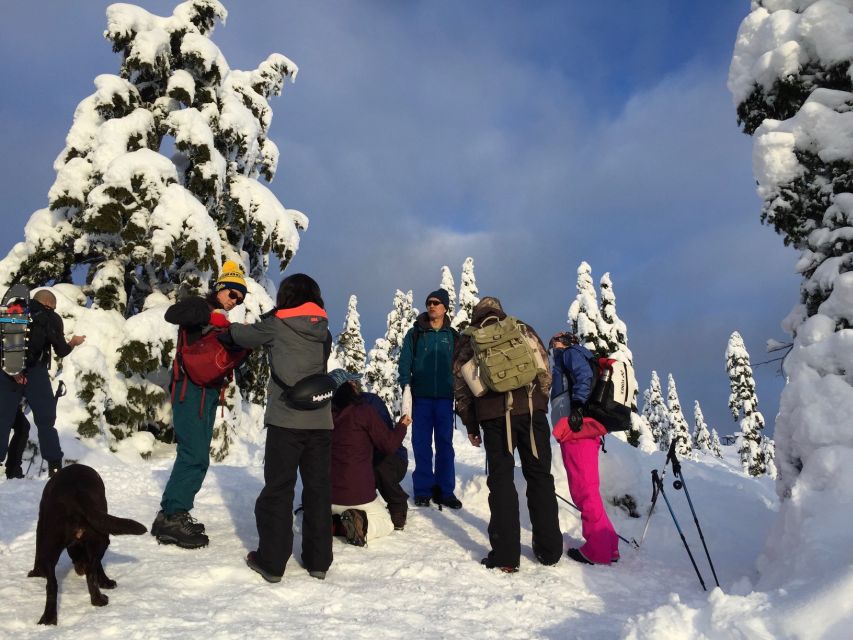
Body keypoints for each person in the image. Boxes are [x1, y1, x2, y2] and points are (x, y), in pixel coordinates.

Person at [226, 273, 334, 583]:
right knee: (318, 490)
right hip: (321, 421)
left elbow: (243, 336)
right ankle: (318, 561)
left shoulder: (276, 324)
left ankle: (272, 563)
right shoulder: (323, 329)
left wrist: (225, 326)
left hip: (285, 421)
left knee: (279, 489)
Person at [453, 297, 562, 573]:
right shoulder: (520, 327)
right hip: (530, 412)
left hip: (494, 418)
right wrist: (539, 403)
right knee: (540, 476)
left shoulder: (468, 339)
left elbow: (460, 386)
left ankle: (505, 556)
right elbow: (543, 365)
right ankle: (549, 551)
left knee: (501, 481)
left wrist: (470, 424)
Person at [150, 260, 248, 549]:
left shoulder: (220, 318)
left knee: (197, 454)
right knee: (194, 455)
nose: (234, 302)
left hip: (206, 393)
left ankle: (170, 512)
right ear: (220, 289)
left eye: (240, 299)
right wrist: (208, 316)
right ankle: (172, 517)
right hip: (189, 390)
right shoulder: (199, 306)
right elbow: (172, 314)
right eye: (232, 294)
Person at [549, 331, 619, 566]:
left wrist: (578, 407)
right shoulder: (575, 355)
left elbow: (582, 377)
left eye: (555, 342)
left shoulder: (570, 354)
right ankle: (609, 545)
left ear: (567, 342)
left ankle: (597, 551)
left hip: (576, 430)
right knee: (589, 491)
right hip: (581, 430)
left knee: (584, 492)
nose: (553, 347)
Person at [0, 289, 85, 478]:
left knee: (3, 420)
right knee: (46, 421)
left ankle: (13, 470)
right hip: (34, 371)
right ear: (50, 304)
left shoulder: (14, 310)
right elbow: (61, 350)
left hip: (7, 371)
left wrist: (13, 370)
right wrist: (73, 343)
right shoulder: (51, 318)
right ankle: (55, 467)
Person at [327, 369, 410, 545]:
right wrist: (402, 426)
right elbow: (388, 444)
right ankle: (357, 526)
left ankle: (332, 524)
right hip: (358, 494)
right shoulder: (364, 410)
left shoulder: (323, 416)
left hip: (329, 496)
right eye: (353, 382)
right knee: (385, 523)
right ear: (349, 386)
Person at [397, 288, 461, 509]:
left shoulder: (453, 337)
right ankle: (423, 490)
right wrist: (406, 386)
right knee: (421, 444)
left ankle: (446, 491)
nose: (431, 306)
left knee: (445, 445)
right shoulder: (415, 334)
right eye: (428, 303)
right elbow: (405, 361)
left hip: (444, 399)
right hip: (421, 398)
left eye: (436, 303)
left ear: (445, 307)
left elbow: (461, 366)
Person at [3, 403, 31, 479]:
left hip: (14, 406)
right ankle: (13, 469)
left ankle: (13, 469)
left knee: (23, 426)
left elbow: (26, 411)